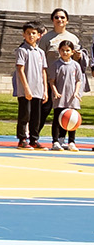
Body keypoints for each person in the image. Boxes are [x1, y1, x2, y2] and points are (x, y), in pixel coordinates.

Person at [37, 8, 81, 141]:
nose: (59, 20)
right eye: (56, 17)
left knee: (65, 112)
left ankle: (62, 139)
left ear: (67, 20)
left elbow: (77, 61)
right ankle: (33, 136)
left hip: (66, 83)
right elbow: (40, 58)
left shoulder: (73, 38)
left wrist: (79, 56)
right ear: (52, 20)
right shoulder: (46, 38)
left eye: (62, 17)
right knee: (45, 109)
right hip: (50, 80)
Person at [12, 22, 48, 151]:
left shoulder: (40, 52)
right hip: (26, 90)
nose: (31, 35)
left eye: (34, 33)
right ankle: (22, 139)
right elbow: (20, 70)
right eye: (28, 33)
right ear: (24, 35)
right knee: (24, 115)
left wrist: (45, 90)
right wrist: (26, 88)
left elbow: (43, 71)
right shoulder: (22, 50)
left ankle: (34, 139)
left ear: (39, 35)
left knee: (35, 116)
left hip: (38, 89)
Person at [51, 39, 88, 151]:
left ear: (72, 52)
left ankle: (71, 141)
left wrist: (76, 92)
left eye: (68, 50)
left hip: (72, 98)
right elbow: (52, 81)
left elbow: (79, 80)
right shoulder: (56, 65)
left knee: (72, 119)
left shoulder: (76, 65)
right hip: (60, 97)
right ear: (59, 51)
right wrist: (56, 92)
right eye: (63, 50)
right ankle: (57, 141)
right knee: (58, 119)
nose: (65, 53)